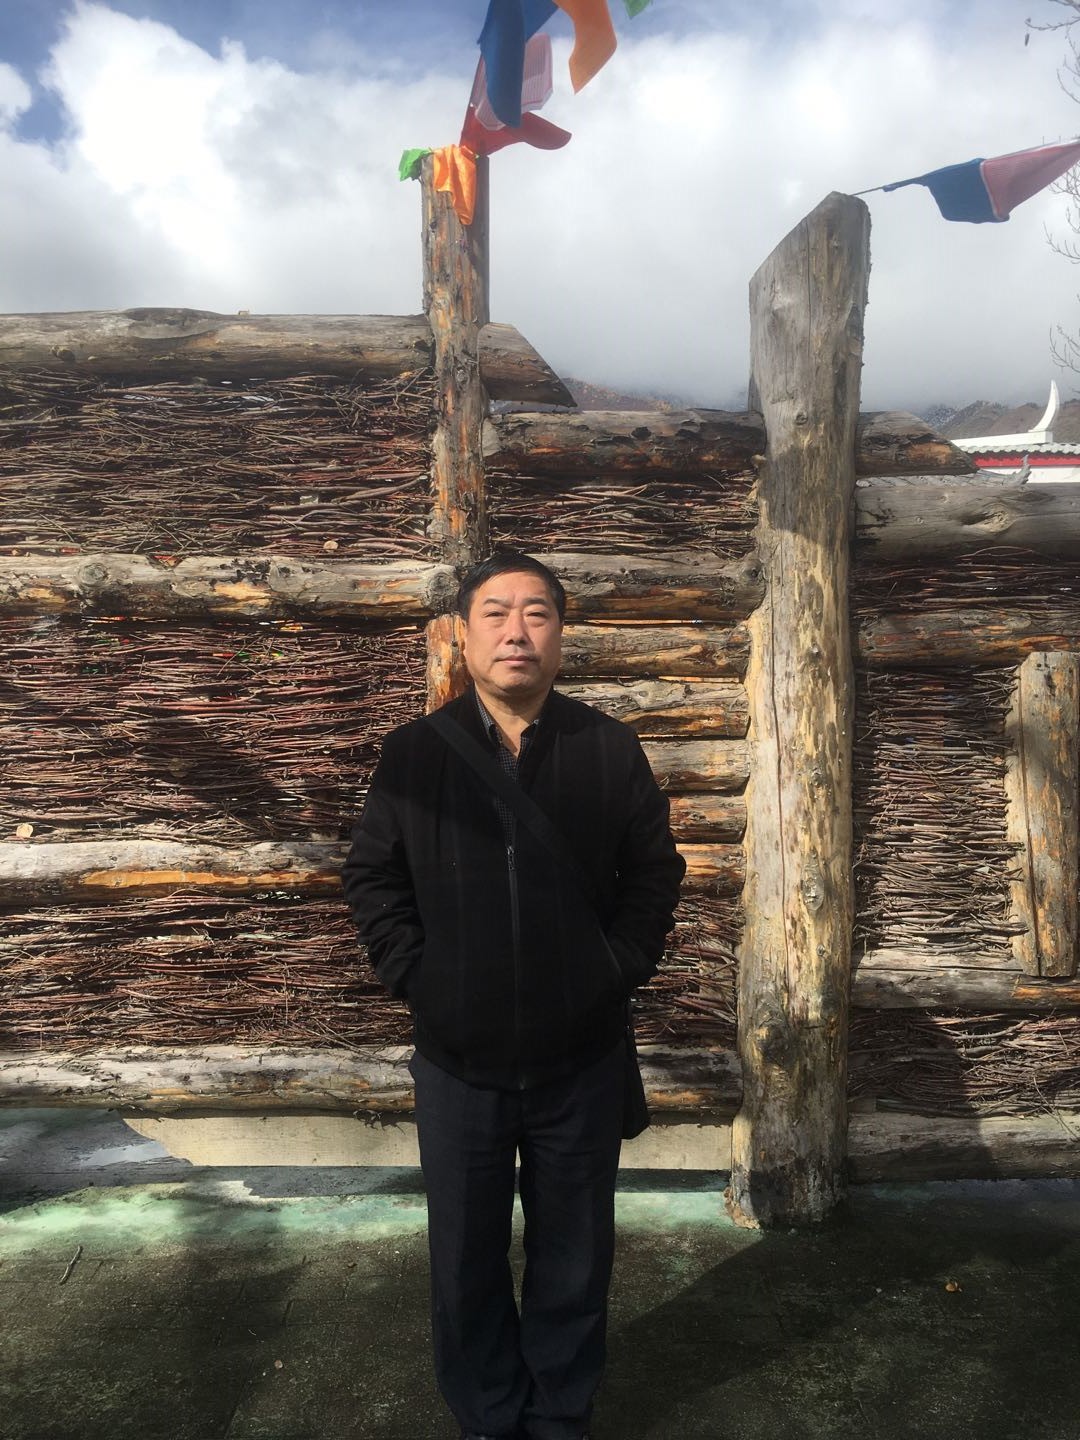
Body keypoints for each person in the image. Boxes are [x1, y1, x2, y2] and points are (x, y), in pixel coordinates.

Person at [342, 551, 685, 1440]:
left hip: (581, 1057)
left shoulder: (606, 747)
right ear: (463, 635)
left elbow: (655, 873)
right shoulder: (415, 753)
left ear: (561, 635)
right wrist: (422, 979)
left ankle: (561, 1413)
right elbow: (374, 877)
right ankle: (488, 1415)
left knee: (575, 1254)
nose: (517, 632)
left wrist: (615, 968)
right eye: (495, 613)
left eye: (537, 613)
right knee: (464, 1256)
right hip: (459, 1061)